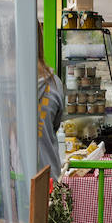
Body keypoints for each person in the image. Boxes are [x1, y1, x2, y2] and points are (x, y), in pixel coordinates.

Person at [36, 38, 65, 176]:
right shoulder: (54, 84)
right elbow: (55, 125)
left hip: (11, 178)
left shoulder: (0, 83)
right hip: (47, 174)